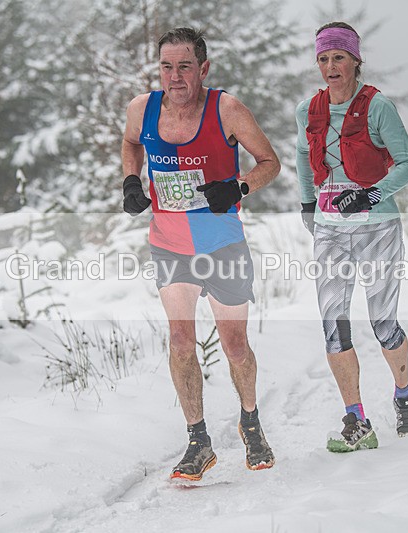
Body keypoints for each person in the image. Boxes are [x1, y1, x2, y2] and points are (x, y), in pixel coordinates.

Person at [121, 27, 280, 481]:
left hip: (222, 245)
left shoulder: (226, 109)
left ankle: (250, 421)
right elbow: (131, 143)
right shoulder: (142, 109)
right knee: (180, 341)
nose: (175, 76)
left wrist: (238, 187)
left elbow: (270, 163)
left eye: (185, 66)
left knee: (235, 345)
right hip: (170, 246)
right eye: (167, 66)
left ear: (203, 68)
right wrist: (131, 181)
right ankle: (198, 441)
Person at [296, 22, 408, 452]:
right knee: (333, 325)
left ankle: (403, 395)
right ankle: (356, 419)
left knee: (383, 323)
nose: (331, 66)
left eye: (339, 58)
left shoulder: (377, 106)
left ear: (355, 60)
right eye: (323, 58)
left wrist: (370, 195)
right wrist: (308, 204)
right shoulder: (307, 110)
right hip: (330, 230)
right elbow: (302, 157)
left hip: (378, 227)